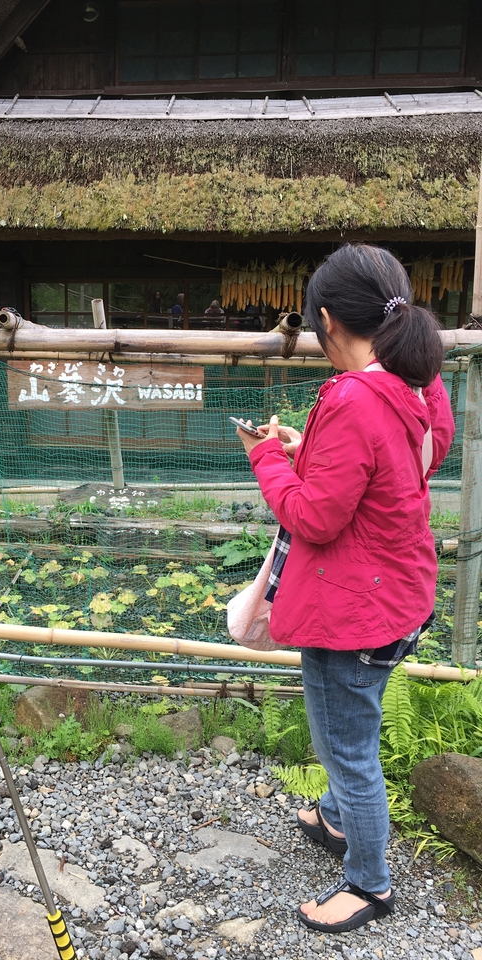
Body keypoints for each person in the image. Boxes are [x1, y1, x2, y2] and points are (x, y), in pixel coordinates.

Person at [234, 244, 454, 934]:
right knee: (357, 721)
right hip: (402, 591)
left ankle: (369, 883)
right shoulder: (420, 379)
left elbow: (312, 516)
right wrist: (316, 451)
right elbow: (415, 454)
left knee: (348, 751)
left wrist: (267, 456)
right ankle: (334, 817)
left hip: (351, 611)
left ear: (326, 320)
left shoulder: (353, 395)